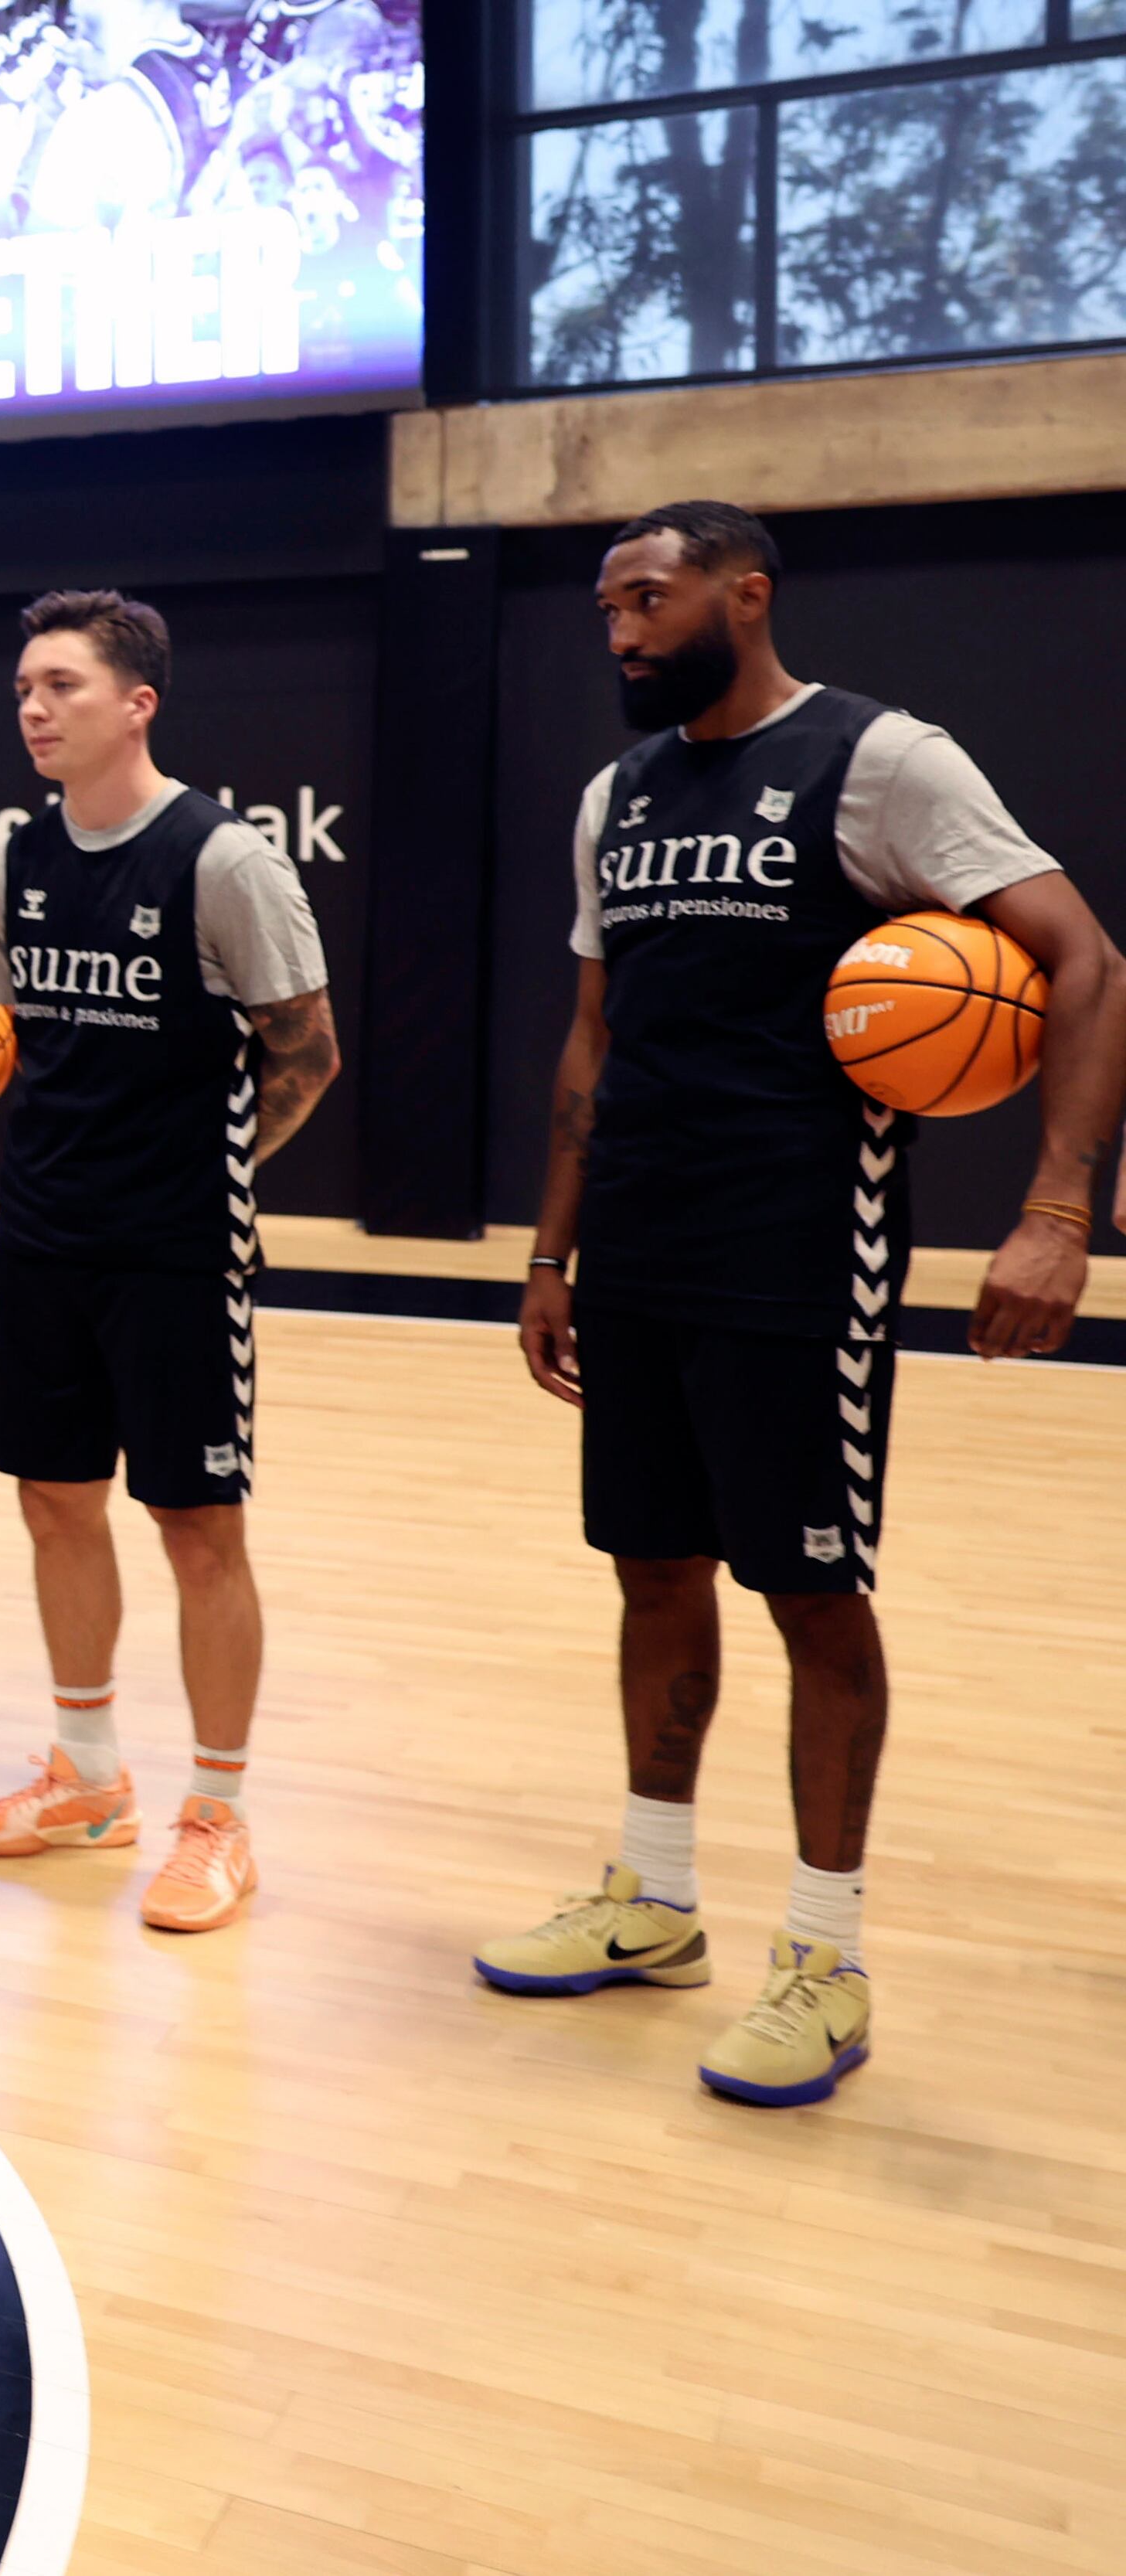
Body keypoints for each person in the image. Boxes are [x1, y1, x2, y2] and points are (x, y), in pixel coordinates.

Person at [481, 500, 1122, 2107]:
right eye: (605, 605)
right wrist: (553, 1253)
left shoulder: (880, 761)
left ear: (743, 594)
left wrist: (1056, 1210)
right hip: (635, 1243)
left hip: (795, 1246)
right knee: (649, 1569)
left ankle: (824, 1962)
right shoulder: (612, 797)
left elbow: (1085, 962)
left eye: (648, 594)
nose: (619, 627)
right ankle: (652, 1899)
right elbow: (591, 1038)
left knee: (810, 1594)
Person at [0, 590, 338, 1935]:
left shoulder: (223, 861)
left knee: (198, 1528)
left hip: (175, 1247)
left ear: (136, 702)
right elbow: (16, 1047)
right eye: (21, 690)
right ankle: (88, 1778)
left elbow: (307, 1050)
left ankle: (218, 1815)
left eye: (59, 685)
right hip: (42, 1234)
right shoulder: (13, 867)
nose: (34, 710)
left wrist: (214, 1175)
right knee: (56, 1502)